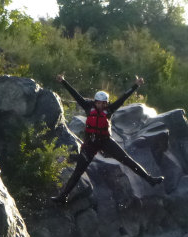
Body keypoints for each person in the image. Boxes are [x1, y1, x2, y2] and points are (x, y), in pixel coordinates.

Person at [51, 74, 164, 204]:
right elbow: (75, 95)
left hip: (105, 141)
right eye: (98, 102)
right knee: (78, 171)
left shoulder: (109, 109)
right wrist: (63, 82)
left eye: (103, 103)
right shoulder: (88, 106)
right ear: (95, 102)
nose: (100, 105)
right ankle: (63, 196)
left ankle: (150, 179)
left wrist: (136, 86)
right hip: (91, 143)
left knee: (127, 160)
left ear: (106, 103)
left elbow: (123, 98)